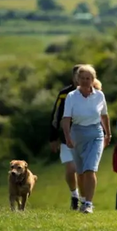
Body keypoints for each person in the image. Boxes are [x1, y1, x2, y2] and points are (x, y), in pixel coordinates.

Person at [61, 64, 111, 214]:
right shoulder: (71, 97)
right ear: (77, 80)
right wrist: (67, 137)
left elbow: (104, 115)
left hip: (96, 134)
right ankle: (83, 200)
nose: (84, 81)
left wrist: (108, 134)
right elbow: (66, 119)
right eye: (82, 78)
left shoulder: (99, 96)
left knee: (90, 169)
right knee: (81, 172)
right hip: (77, 133)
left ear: (93, 79)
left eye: (88, 78)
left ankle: (88, 203)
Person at [49, 63, 84, 210]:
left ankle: (85, 200)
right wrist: (52, 137)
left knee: (84, 170)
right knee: (71, 169)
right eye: (77, 76)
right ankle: (74, 195)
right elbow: (55, 115)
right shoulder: (64, 94)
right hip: (66, 138)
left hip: (85, 138)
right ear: (73, 77)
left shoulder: (93, 92)